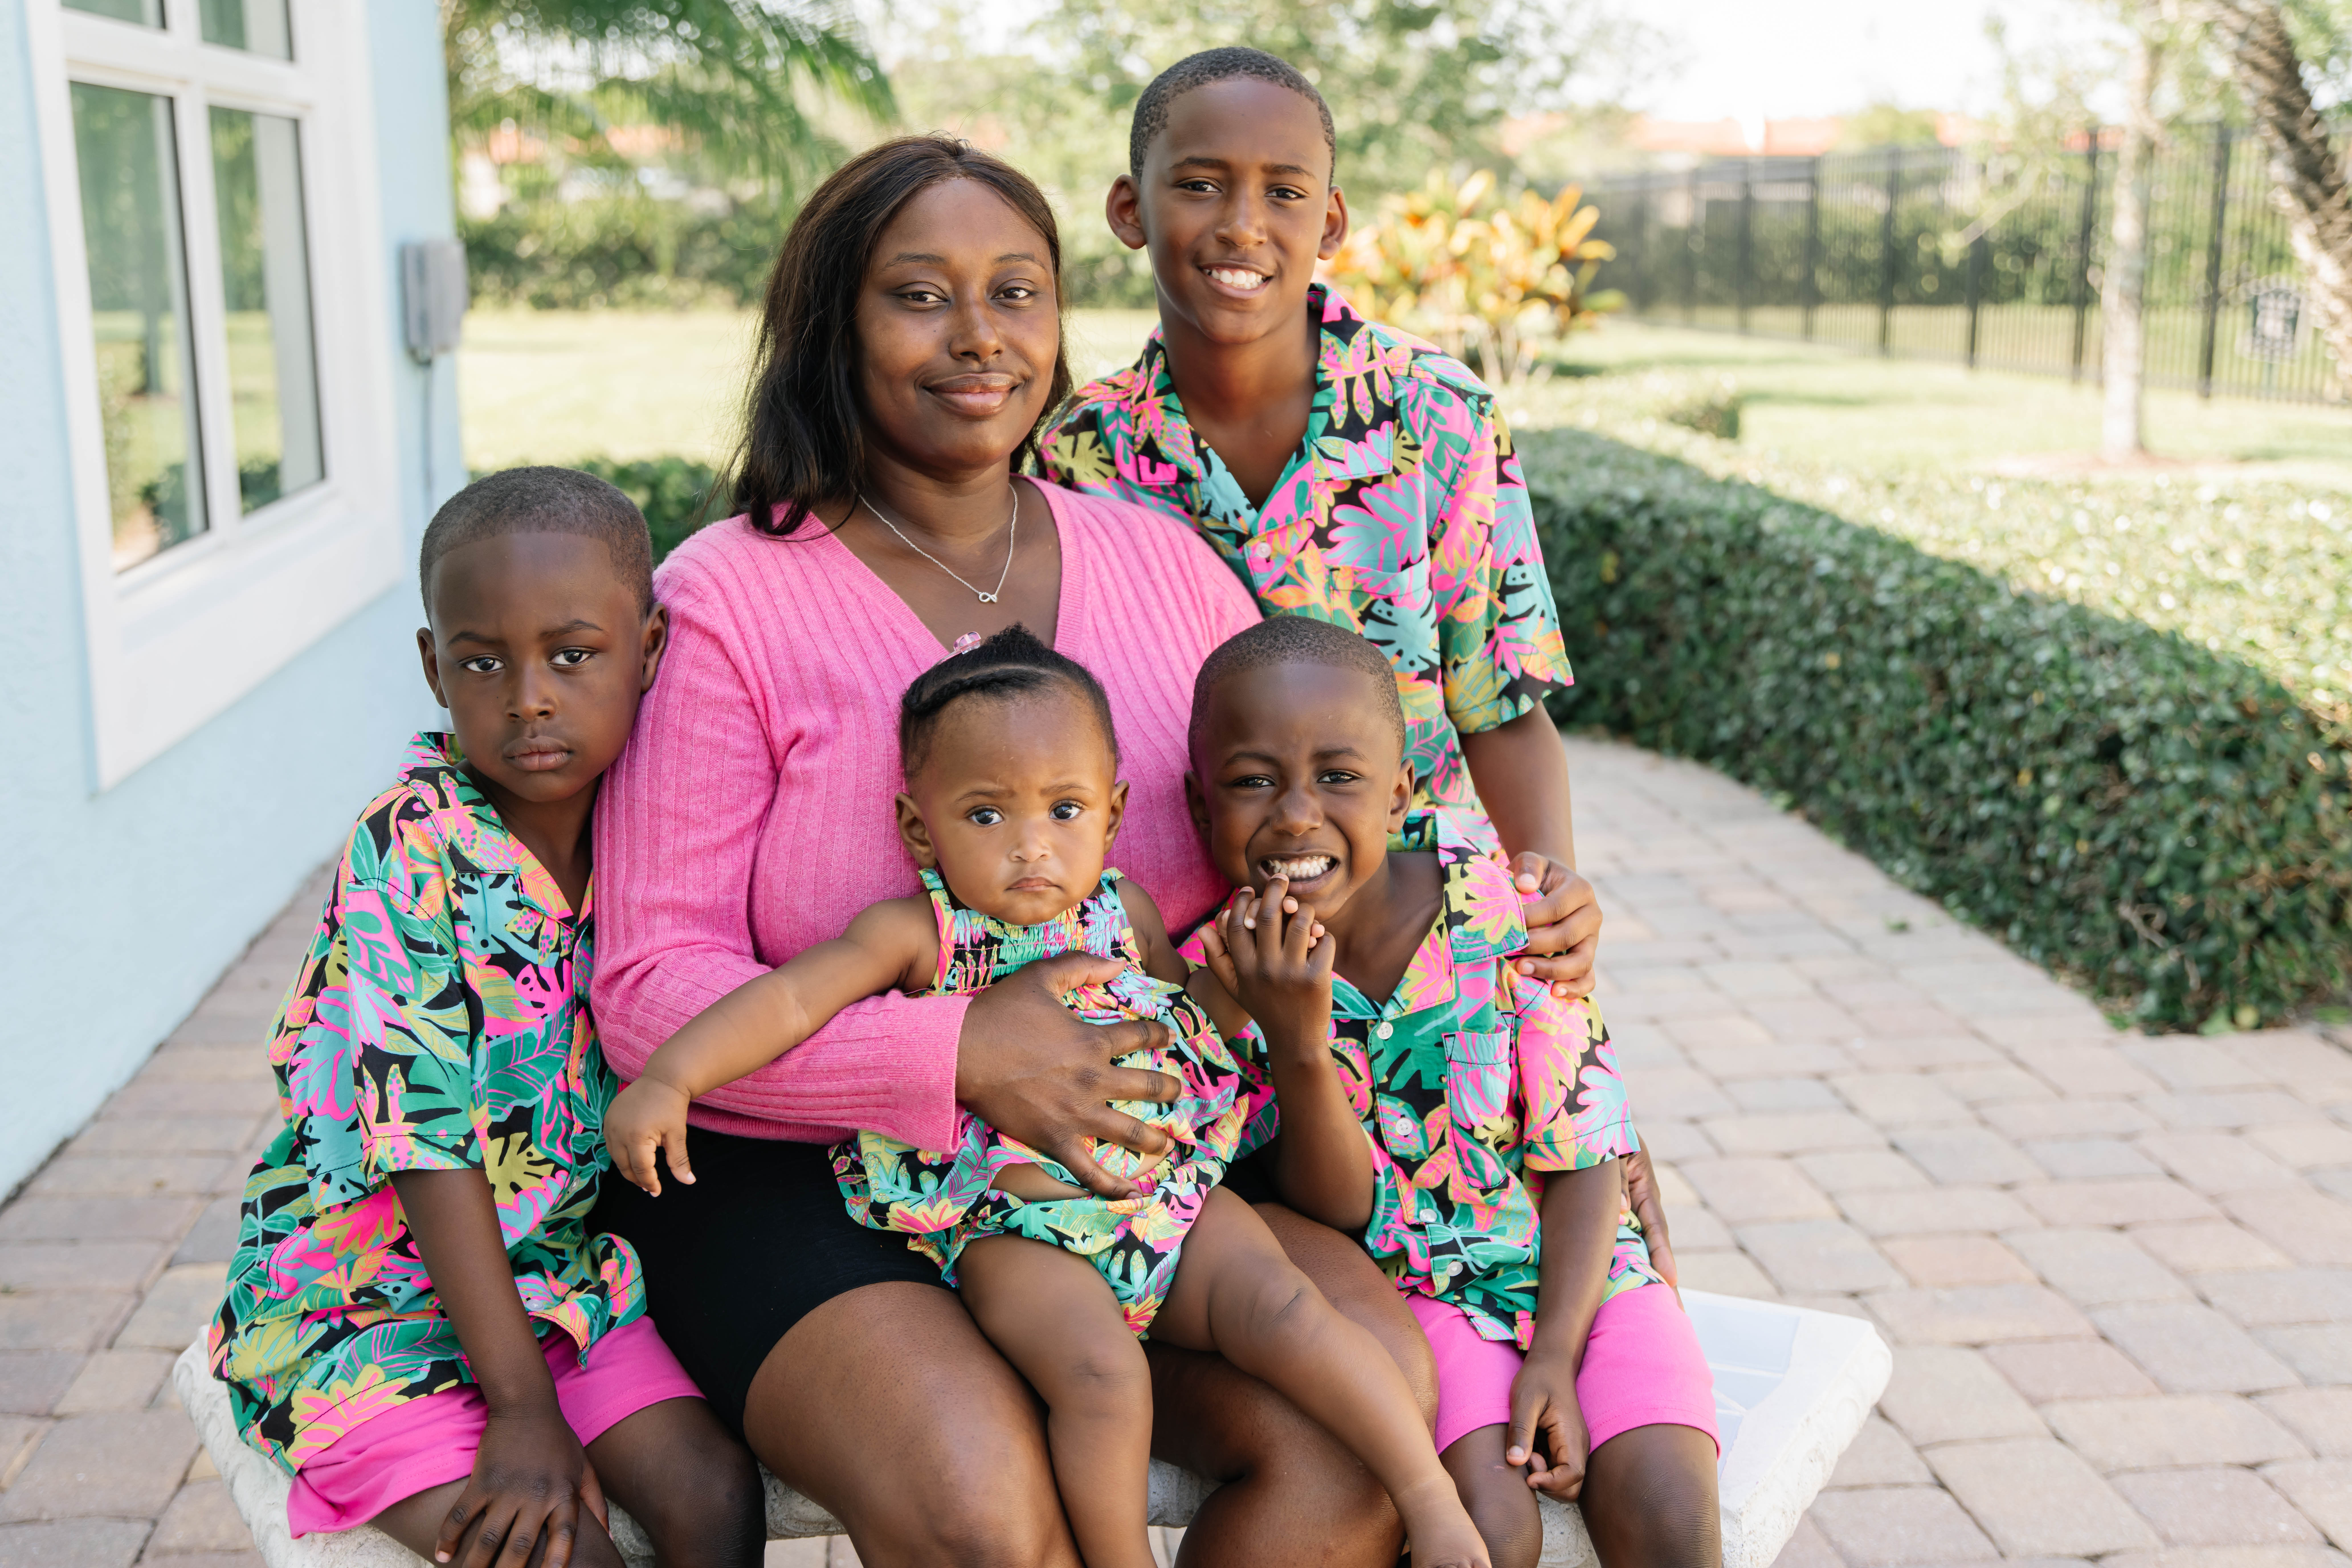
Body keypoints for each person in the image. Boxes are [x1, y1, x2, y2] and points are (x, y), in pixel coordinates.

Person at [603, 626, 1491, 1568]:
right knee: (1101, 1378)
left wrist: (1247, 992)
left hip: (1165, 1189)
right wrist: (673, 1075)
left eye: (1063, 810)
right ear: (919, 827)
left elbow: (1187, 1019)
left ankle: (1429, 1498)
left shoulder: (1126, 914)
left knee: (1286, 1306)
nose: (1032, 847)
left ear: (1110, 817)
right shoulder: (913, 936)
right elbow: (785, 1002)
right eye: (987, 817)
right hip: (1011, 1224)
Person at [207, 468, 762, 1568]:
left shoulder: (650, 825)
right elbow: (426, 1145)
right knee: (557, 1552)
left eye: (572, 655)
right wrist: (520, 1410)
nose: (530, 699)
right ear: (432, 667)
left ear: (647, 651)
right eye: (481, 662)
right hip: (362, 1304)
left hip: (556, 1281)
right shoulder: (410, 846)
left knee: (713, 1497)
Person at [1183, 617, 1722, 1568]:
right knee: (1492, 1529)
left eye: (1339, 777)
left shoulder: (1511, 910)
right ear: (1199, 807)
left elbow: (1589, 1148)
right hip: (1419, 1291)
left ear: (1399, 792)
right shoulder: (1225, 981)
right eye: (1253, 781)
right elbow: (1339, 1211)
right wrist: (1298, 1045)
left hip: (1584, 1265)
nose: (1297, 814)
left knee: (1671, 1511)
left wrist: (1557, 1349)